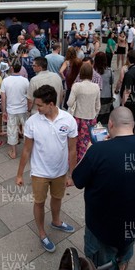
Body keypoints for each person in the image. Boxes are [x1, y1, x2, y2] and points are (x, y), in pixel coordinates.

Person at [73, 107, 135, 270]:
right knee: (125, 251)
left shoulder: (98, 151)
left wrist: (90, 149)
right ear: (133, 124)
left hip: (102, 229)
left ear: (110, 124)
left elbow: (78, 180)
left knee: (99, 269)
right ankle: (121, 269)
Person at [16, 85, 78, 253]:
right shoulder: (32, 122)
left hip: (60, 171)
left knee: (57, 198)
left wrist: (71, 175)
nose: (37, 108)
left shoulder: (68, 120)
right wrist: (20, 174)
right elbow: (27, 150)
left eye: (40, 105)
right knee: (39, 202)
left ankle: (56, 221)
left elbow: (73, 150)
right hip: (39, 172)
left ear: (51, 104)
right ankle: (42, 233)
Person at [67, 64, 101, 162]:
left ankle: (74, 162)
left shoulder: (77, 86)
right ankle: (86, 161)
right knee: (88, 143)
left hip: (78, 119)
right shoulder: (96, 87)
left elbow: (69, 103)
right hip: (91, 118)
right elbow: (98, 106)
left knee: (75, 143)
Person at [1, 62, 30, 160]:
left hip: (11, 109)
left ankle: (13, 152)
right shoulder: (25, 81)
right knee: (26, 130)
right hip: (23, 108)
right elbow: (29, 95)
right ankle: (28, 151)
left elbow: (3, 97)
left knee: (12, 130)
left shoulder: (5, 81)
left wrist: (3, 110)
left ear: (12, 68)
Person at [119, 50, 135, 129]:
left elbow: (127, 90)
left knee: (125, 121)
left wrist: (123, 104)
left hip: (129, 101)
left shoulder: (129, 73)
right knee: (132, 119)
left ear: (128, 59)